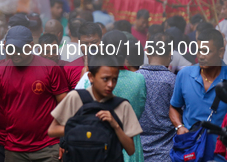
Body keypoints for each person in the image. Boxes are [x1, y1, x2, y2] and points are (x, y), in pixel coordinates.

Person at [0, 26, 69, 162]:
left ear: (31, 46)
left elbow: (65, 104)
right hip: (14, 148)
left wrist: (64, 139)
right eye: (10, 48)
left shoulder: (49, 68)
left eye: (20, 48)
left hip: (48, 146)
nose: (15, 52)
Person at [47, 54, 143, 160]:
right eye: (105, 79)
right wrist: (87, 128)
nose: (111, 84)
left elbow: (130, 149)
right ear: (91, 77)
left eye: (114, 79)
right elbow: (52, 130)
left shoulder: (122, 105)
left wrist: (115, 126)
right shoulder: (75, 97)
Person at [76, 30, 147, 162]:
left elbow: (76, 112)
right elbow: (139, 110)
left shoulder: (90, 78)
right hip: (130, 145)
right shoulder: (139, 80)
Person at [170, 28, 227, 162]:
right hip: (190, 153)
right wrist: (179, 126)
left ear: (221, 52)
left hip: (219, 155)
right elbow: (174, 107)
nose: (201, 56)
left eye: (207, 51)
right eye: (199, 50)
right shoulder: (184, 75)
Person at [136, 32, 176, 162]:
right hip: (165, 153)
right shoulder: (173, 81)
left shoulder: (135, 79)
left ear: (147, 52)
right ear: (170, 54)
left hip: (137, 151)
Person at [63, 22, 103, 89]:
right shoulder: (69, 69)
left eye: (94, 42)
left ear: (101, 40)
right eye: (85, 43)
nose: (90, 46)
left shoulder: (113, 65)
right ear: (79, 43)